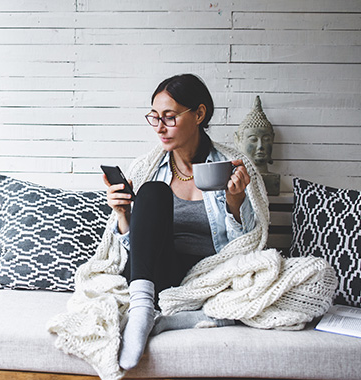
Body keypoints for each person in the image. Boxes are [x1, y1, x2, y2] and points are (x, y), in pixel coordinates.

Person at [102, 74, 257, 370]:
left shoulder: (234, 166)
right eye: (154, 117)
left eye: (169, 117)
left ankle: (174, 319)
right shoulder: (147, 168)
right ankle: (142, 312)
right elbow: (133, 248)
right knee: (153, 191)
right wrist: (122, 214)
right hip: (155, 277)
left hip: (212, 278)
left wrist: (235, 201)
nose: (160, 127)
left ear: (199, 114)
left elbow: (250, 246)